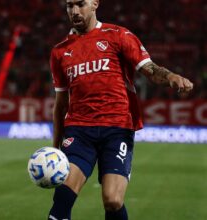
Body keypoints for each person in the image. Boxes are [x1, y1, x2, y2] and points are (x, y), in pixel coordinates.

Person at [49, 1, 193, 220]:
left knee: (113, 201)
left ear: (95, 3)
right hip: (79, 130)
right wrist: (55, 149)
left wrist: (171, 76)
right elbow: (60, 104)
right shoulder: (60, 51)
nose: (74, 11)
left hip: (117, 129)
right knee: (63, 195)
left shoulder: (118, 35)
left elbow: (150, 70)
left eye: (80, 4)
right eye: (70, 5)